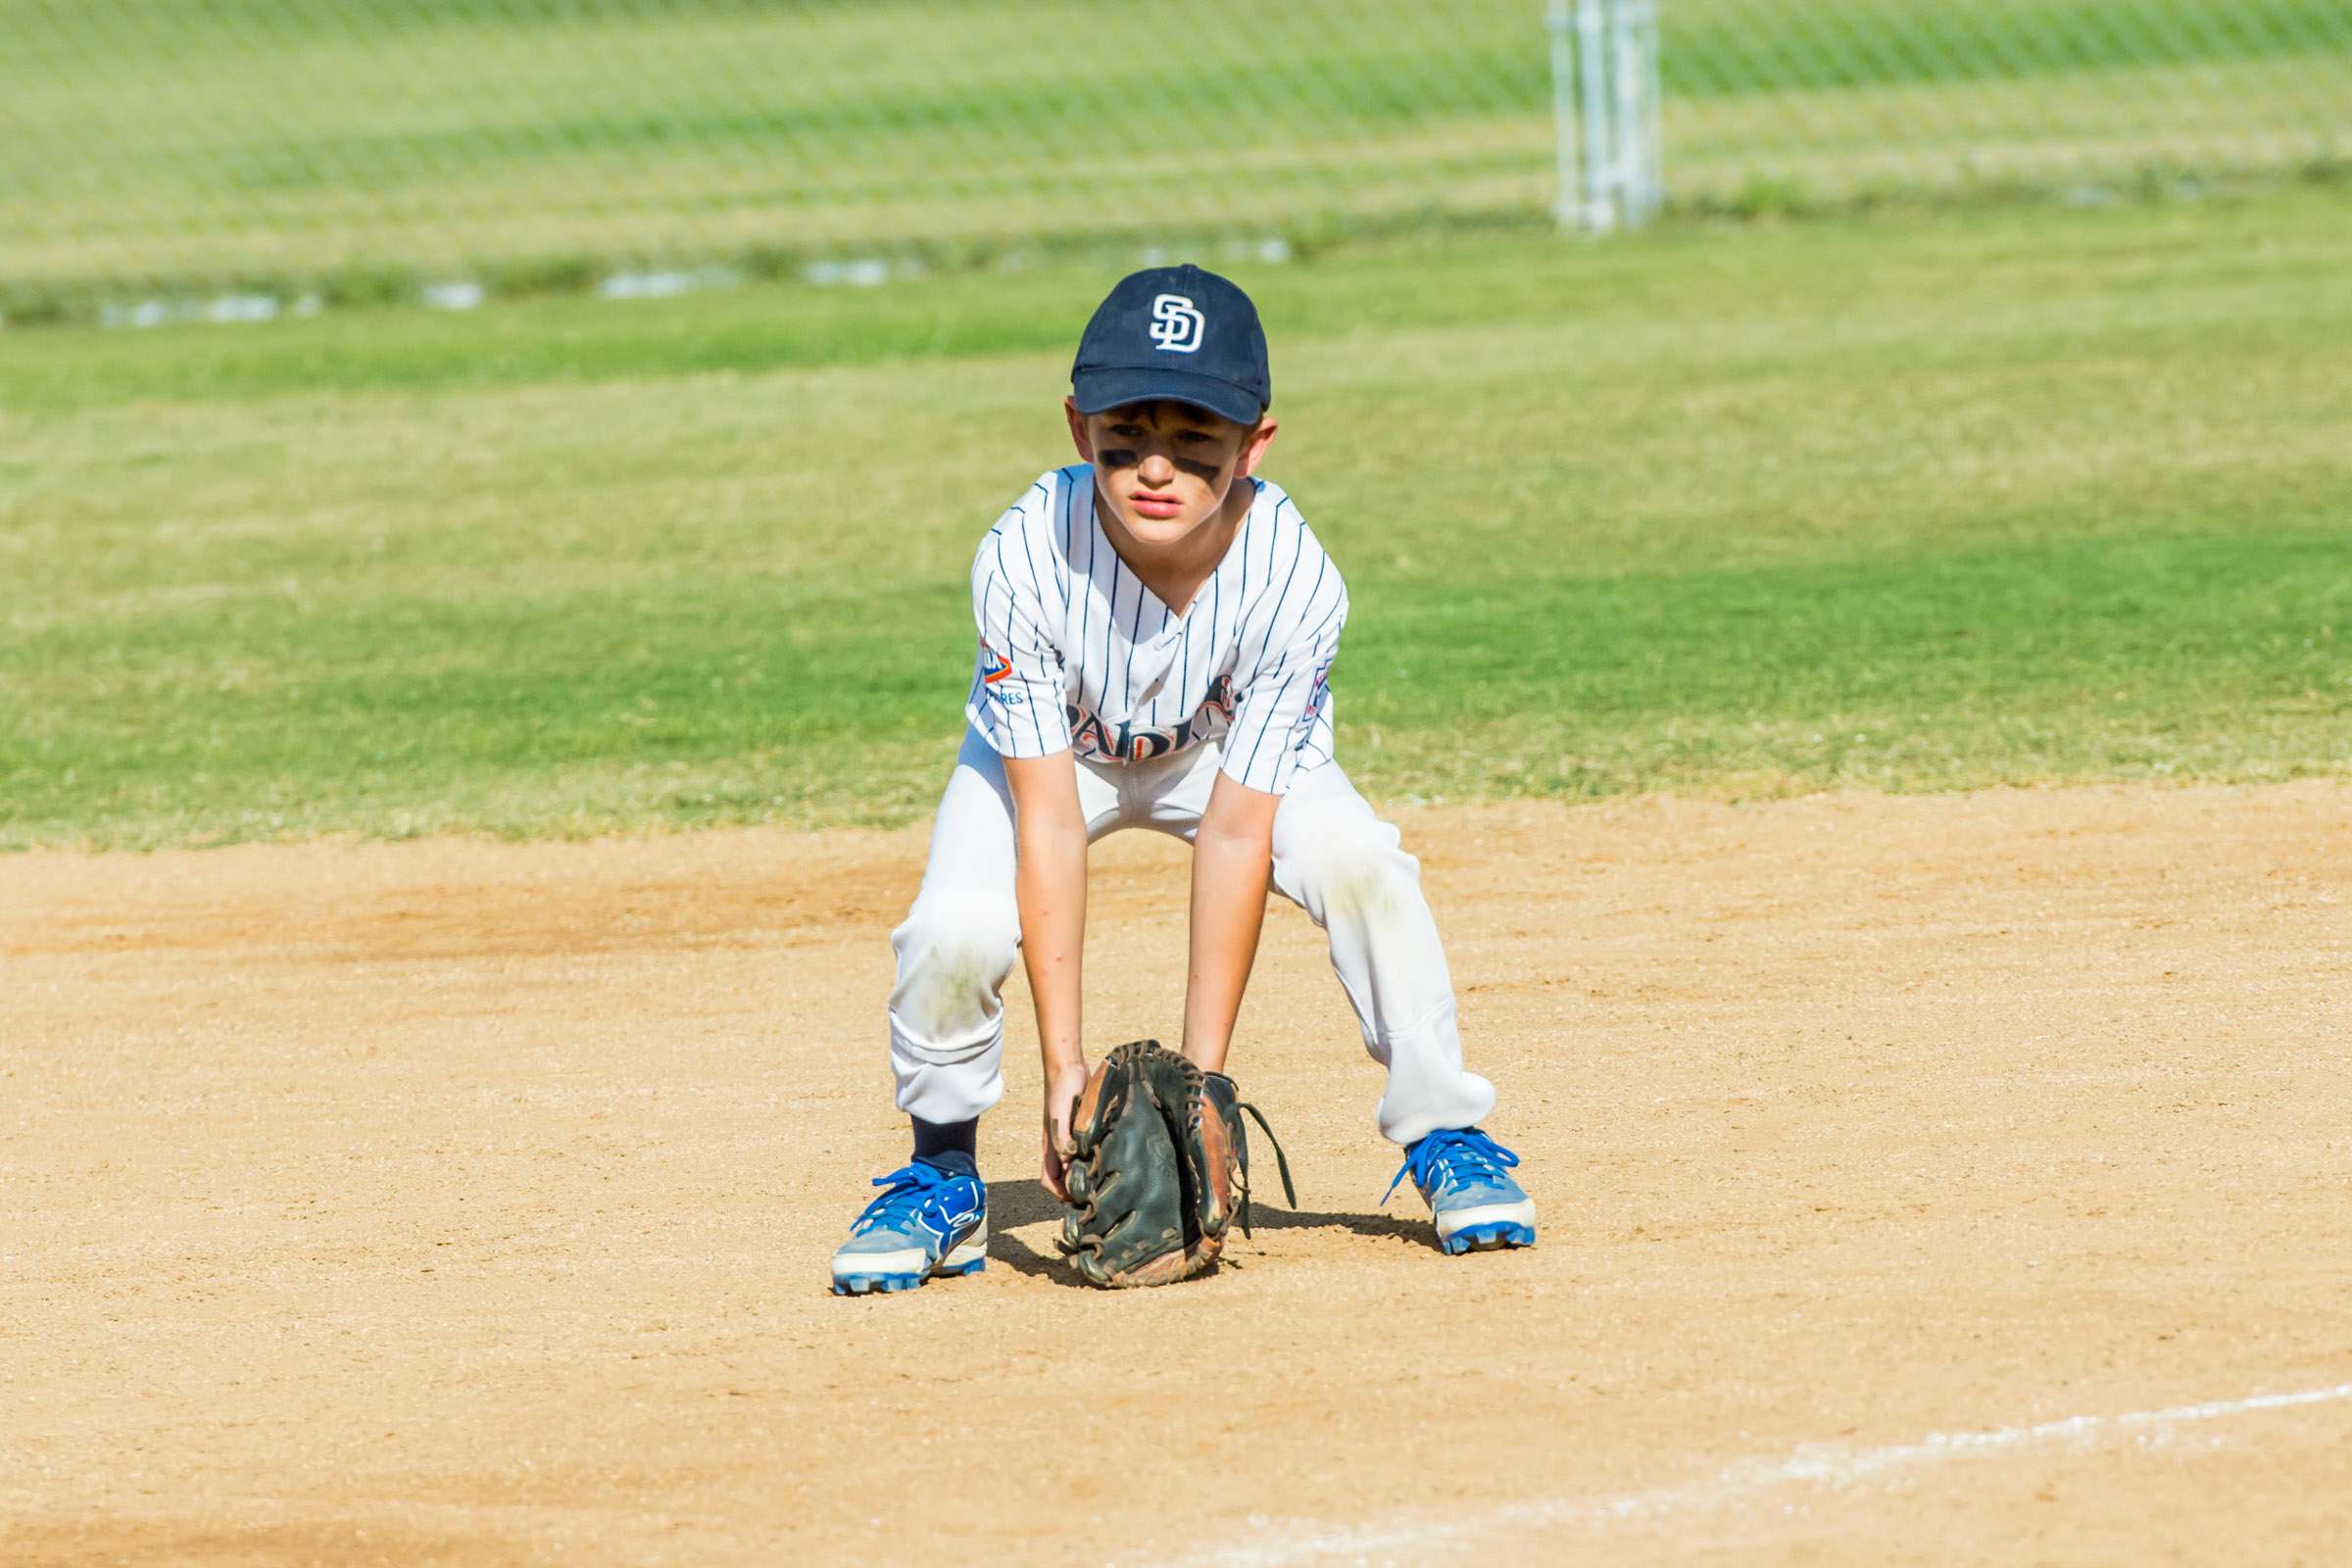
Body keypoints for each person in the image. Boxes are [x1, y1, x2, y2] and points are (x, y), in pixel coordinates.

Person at [829, 265, 1536, 1295]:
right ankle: (941, 1171)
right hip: (1053, 762)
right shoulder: (1025, 555)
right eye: (1124, 438)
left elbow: (1241, 833)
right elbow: (1049, 822)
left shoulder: (1294, 578)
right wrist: (1061, 1063)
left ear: (1256, 444)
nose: (1155, 467)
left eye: (1196, 441)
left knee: (1360, 864)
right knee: (954, 928)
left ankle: (1444, 1134)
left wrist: (1201, 1081)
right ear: (1078, 430)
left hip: (1220, 758)